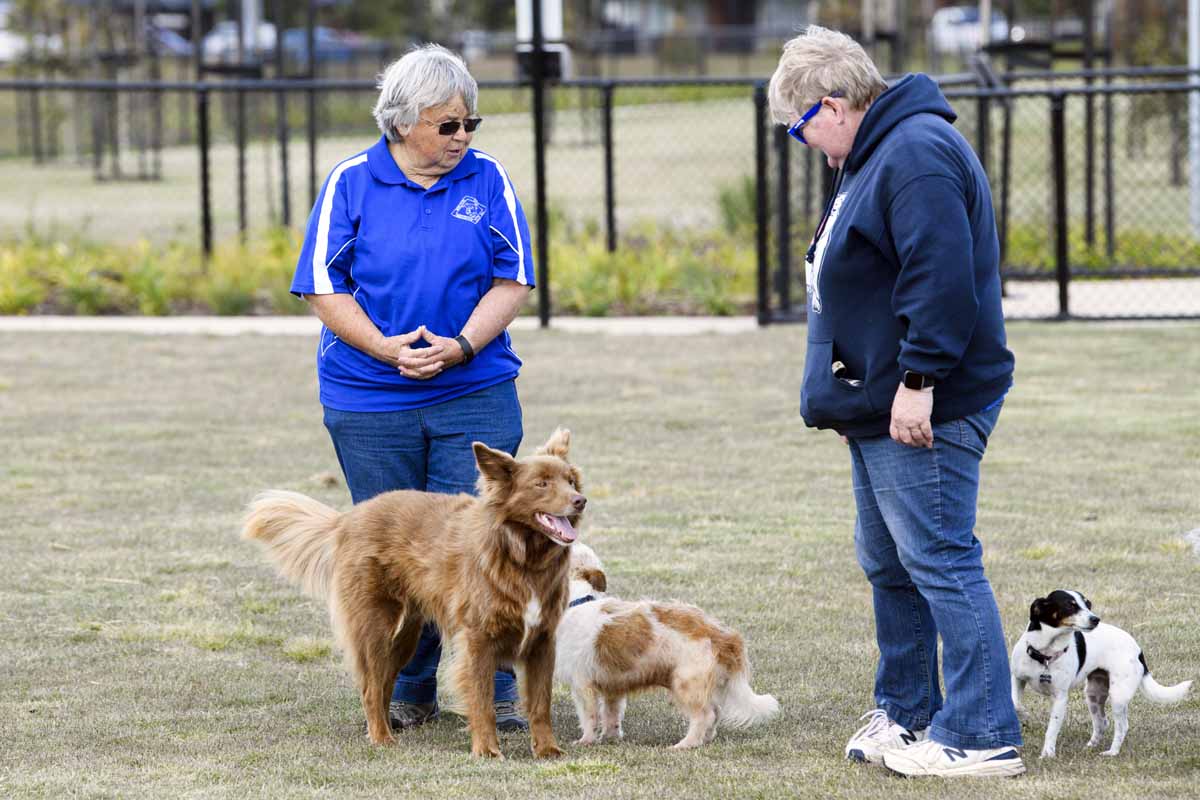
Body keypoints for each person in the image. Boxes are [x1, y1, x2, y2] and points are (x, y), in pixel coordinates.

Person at [768, 27, 1024, 778]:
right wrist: (855, 402)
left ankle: (980, 732)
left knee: (938, 557)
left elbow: (939, 279)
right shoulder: (873, 150)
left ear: (835, 102)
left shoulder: (912, 152)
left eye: (800, 127)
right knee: (888, 560)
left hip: (927, 402)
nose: (804, 142)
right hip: (879, 406)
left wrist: (917, 384)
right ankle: (909, 712)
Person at [289, 43, 534, 734]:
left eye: (469, 125)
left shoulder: (487, 183)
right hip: (368, 400)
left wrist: (460, 346)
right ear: (401, 122)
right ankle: (410, 687)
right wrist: (383, 348)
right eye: (446, 125)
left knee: (489, 541)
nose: (461, 138)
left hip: (474, 391)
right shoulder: (351, 182)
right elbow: (322, 284)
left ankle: (501, 689)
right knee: (401, 555)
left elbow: (512, 279)